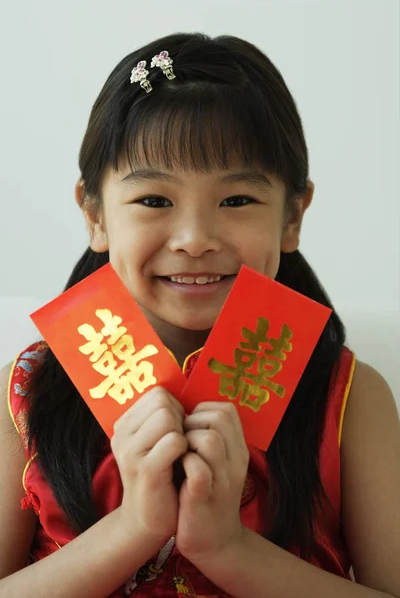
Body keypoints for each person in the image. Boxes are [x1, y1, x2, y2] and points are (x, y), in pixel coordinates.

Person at [0, 32, 399, 598]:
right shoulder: (24, 391)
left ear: (292, 216)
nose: (193, 239)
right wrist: (134, 529)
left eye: (236, 201)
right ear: (95, 214)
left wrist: (227, 547)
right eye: (154, 201)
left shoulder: (351, 399)